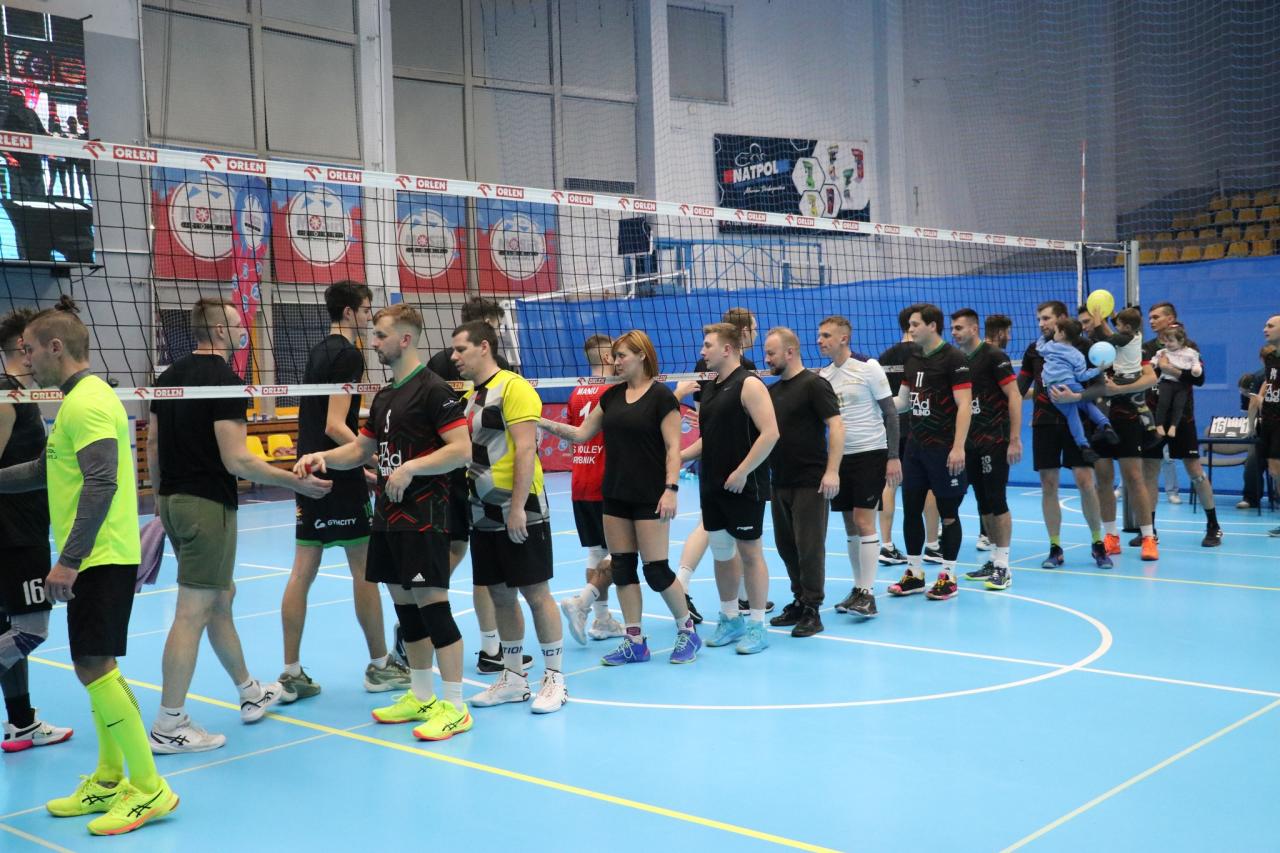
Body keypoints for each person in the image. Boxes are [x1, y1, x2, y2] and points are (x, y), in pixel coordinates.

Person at [0, 297, 177, 835]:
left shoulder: (89, 402)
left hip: (101, 556)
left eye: (31, 350)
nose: (26, 361)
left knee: (95, 667)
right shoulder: (73, 403)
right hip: (95, 555)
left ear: (56, 347)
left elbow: (102, 482)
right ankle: (108, 777)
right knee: (92, 665)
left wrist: (68, 560)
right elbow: (46, 469)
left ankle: (149, 788)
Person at [147, 298, 331, 754]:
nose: (242, 329)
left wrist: (162, 504)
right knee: (192, 612)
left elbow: (152, 445)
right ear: (219, 330)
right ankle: (170, 723)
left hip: (171, 501)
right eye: (236, 323)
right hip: (206, 506)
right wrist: (295, 483)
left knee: (220, 599)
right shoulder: (225, 381)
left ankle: (250, 691)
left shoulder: (167, 378)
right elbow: (238, 460)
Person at [296, 304, 474, 742]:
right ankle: (422, 695)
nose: (372, 342)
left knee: (433, 607)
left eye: (380, 335)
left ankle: (455, 707)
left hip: (424, 516)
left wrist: (411, 468)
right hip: (389, 517)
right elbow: (360, 451)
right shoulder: (385, 395)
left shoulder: (433, 390)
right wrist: (321, 456)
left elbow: (461, 449)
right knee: (406, 610)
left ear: (405, 339)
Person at [278, 281, 409, 704]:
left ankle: (291, 672)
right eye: (367, 309)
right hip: (335, 472)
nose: (370, 316)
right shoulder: (349, 354)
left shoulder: (319, 350)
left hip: (308, 468)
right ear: (350, 312)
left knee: (302, 573)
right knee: (364, 569)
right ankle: (380, 666)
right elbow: (335, 425)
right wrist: (371, 459)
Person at [541, 330, 699, 663]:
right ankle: (634, 641)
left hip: (650, 494)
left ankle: (687, 631)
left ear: (641, 355)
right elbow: (581, 434)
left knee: (656, 571)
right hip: (614, 494)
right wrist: (538, 421)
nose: (615, 361)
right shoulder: (611, 397)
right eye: (614, 356)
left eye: (622, 355)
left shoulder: (661, 398)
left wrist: (671, 489)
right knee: (624, 568)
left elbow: (674, 449)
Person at [452, 321, 567, 713]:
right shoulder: (469, 396)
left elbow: (525, 449)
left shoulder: (514, 388)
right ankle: (515, 678)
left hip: (521, 508)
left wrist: (517, 506)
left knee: (536, 593)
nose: (454, 357)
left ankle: (554, 678)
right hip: (481, 511)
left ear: (484, 347)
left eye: (461, 349)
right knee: (500, 595)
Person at [423, 297, 529, 675]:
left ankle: (487, 646)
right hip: (468, 476)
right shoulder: (468, 368)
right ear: (484, 328)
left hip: (456, 474)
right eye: (495, 327)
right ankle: (425, 624)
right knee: (479, 563)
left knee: (467, 555)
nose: (498, 335)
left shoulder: (443, 365)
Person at [681, 322, 778, 653]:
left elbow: (770, 433)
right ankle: (730, 618)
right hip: (712, 485)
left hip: (744, 485)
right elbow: (709, 438)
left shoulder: (749, 384)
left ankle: (757, 625)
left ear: (727, 349)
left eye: (707, 345)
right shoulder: (709, 387)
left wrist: (742, 471)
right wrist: (681, 456)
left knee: (750, 553)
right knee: (722, 553)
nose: (702, 351)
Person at [0, 307, 72, 752]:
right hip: (14, 534)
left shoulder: (21, 396)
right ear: (23, 349)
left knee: (8, 629)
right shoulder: (7, 397)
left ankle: (21, 723)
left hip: (22, 528)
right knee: (32, 630)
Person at [1056, 310, 1160, 563]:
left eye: (1089, 321)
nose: (1086, 326)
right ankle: (1111, 536)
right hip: (1099, 420)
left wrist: (1119, 389)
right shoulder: (1084, 352)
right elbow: (1084, 385)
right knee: (1103, 480)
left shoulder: (1128, 347)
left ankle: (1148, 537)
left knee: (1134, 478)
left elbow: (1150, 378)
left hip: (1128, 419)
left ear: (1099, 320)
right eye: (1082, 323)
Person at [816, 317, 898, 620]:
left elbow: (891, 413)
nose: (820, 340)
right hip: (841, 458)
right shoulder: (824, 375)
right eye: (819, 335)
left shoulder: (868, 367)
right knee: (850, 525)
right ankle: (858, 588)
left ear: (844, 338)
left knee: (864, 521)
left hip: (870, 453)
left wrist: (893, 456)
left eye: (826, 335)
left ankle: (868, 593)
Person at [888, 304, 972, 601]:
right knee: (911, 509)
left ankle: (948, 576)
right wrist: (874, 403)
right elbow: (903, 402)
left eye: (915, 324)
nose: (910, 329)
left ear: (932, 325)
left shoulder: (954, 358)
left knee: (948, 513)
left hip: (944, 448)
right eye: (909, 325)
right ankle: (914, 573)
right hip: (915, 447)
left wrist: (958, 447)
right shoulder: (912, 359)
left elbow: (964, 404)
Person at [764, 326, 843, 636]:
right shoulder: (771, 392)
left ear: (790, 352)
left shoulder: (814, 385)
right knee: (786, 546)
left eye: (771, 353)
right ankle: (799, 599)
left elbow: (836, 427)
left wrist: (832, 471)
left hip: (810, 481)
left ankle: (812, 608)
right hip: (779, 480)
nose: (766, 359)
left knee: (809, 548)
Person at [1018, 301, 1108, 568]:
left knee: (1085, 481)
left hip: (1077, 422)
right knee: (1048, 484)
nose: (1041, 324)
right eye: (1039, 319)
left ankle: (1098, 542)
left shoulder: (1085, 348)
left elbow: (1100, 387)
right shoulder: (1035, 349)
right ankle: (1055, 547)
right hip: (1044, 422)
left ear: (1062, 319)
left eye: (1046, 318)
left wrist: (1076, 397)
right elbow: (1019, 387)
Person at [555, 334, 624, 644]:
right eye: (617, 355)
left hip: (580, 481)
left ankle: (601, 620)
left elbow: (575, 439)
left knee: (596, 552)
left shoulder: (576, 391)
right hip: (606, 481)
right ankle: (583, 603)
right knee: (625, 553)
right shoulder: (615, 391)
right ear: (609, 358)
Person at [1139, 302, 1221, 548]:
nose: (1152, 321)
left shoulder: (1188, 346)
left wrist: (1169, 368)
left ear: (1171, 318)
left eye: (1156, 317)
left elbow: (1200, 379)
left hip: (1182, 418)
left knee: (1194, 470)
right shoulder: (1147, 348)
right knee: (1150, 473)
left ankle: (1213, 526)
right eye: (1150, 317)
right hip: (1154, 419)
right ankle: (1149, 531)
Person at [951, 309, 1022, 590]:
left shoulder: (994, 356)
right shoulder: (958, 360)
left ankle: (1004, 566)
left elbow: (1014, 395)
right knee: (982, 502)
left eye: (959, 328)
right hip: (971, 442)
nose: (954, 333)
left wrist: (1014, 439)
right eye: (952, 328)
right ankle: (993, 559)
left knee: (996, 499)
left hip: (994, 439)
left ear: (974, 328)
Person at [877, 307, 934, 565]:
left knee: (889, 484)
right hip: (919, 427)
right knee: (929, 484)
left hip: (890, 426)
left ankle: (886, 545)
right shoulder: (923, 354)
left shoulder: (884, 356)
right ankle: (932, 545)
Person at [1035, 318, 1116, 464]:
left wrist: (1045, 336)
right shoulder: (1078, 355)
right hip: (1072, 384)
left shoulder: (1050, 346)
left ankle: (1084, 445)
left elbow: (1039, 347)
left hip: (1055, 388)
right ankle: (1106, 425)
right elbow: (1081, 376)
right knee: (1088, 405)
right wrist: (1099, 369)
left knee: (1072, 414)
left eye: (1056, 331)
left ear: (1062, 333)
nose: (1054, 333)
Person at [1249, 315, 1280, 535]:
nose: (1264, 329)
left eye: (1270, 326)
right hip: (1270, 420)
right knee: (1274, 468)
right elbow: (1271, 385)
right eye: (1265, 325)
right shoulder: (1271, 358)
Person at [1152, 327, 1202, 439]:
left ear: (1181, 341)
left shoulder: (1191, 352)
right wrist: (1153, 364)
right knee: (1163, 403)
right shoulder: (1163, 352)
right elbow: (1154, 360)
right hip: (1167, 382)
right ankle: (1159, 424)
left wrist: (1196, 369)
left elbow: (1196, 363)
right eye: (1165, 341)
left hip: (1182, 384)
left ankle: (1173, 426)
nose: (1167, 344)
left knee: (1179, 405)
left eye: (1171, 341)